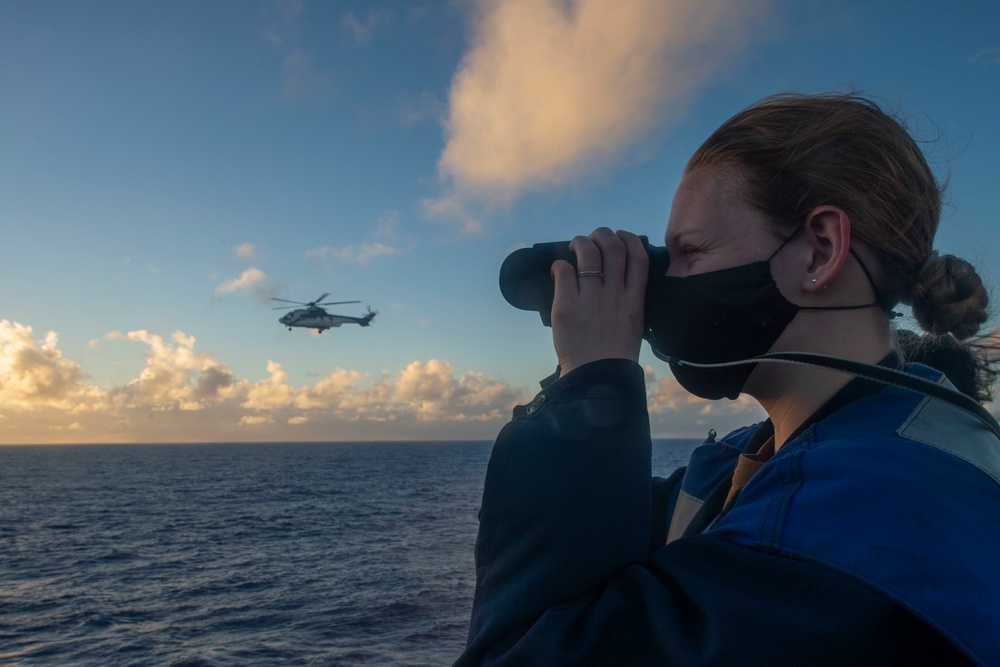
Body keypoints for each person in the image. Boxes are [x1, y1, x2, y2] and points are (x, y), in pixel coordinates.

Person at [456, 93, 1000, 666]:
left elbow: (523, 649)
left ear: (819, 252)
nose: (668, 282)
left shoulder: (865, 532)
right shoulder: (798, 454)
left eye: (689, 251)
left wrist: (590, 382)